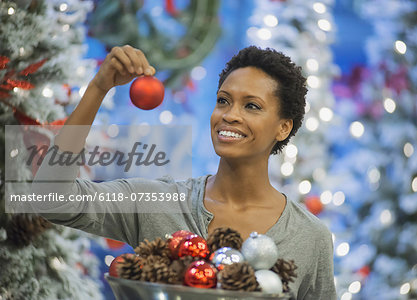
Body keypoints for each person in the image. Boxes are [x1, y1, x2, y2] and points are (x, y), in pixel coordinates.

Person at [32, 45, 337, 299]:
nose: (229, 115)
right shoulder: (156, 201)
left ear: (283, 128)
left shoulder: (310, 237)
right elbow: (51, 200)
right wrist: (99, 88)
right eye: (223, 101)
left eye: (252, 106)